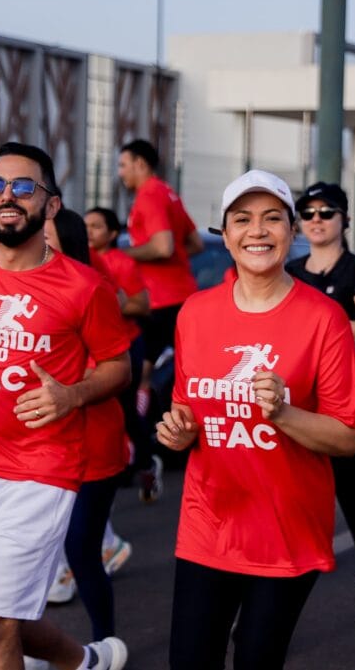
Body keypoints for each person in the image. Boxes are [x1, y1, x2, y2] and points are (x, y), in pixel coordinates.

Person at [0, 142, 131, 670]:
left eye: (23, 187)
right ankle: (87, 662)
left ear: (51, 205)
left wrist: (72, 394)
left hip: (43, 470)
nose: (6, 196)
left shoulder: (85, 286)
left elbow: (117, 366)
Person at [156, 169, 355, 670]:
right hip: (209, 524)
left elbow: (348, 436)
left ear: (291, 233)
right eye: (243, 219)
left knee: (256, 660)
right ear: (224, 236)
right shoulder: (195, 313)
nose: (258, 230)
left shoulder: (322, 317)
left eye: (273, 218)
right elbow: (187, 409)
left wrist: (284, 412)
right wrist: (177, 432)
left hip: (285, 530)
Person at [285, 182, 355, 626]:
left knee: (351, 494)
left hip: (349, 396)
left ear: (345, 219)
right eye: (307, 213)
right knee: (288, 494)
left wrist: (320, 322)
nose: (316, 220)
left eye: (327, 212)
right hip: (294, 401)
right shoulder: (289, 268)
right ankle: (274, 586)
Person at [40, 207, 132, 644]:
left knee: (80, 548)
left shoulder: (93, 291)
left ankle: (104, 642)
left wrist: (67, 388)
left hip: (92, 442)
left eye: (46, 239)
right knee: (28, 553)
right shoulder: (17, 290)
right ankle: (29, 643)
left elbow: (113, 370)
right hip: (33, 446)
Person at [118, 138, 200, 501]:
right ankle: (155, 448)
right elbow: (192, 243)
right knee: (171, 374)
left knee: (136, 374)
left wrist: (124, 254)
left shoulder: (150, 195)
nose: (120, 173)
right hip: (179, 296)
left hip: (161, 301)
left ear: (139, 164)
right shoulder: (169, 193)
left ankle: (145, 452)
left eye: (123, 165)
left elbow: (165, 246)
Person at [84, 206, 154, 506]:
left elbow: (142, 306)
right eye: (85, 225)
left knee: (124, 408)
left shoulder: (122, 263)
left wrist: (108, 305)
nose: (89, 231)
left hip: (127, 344)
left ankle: (144, 462)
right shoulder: (80, 259)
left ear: (113, 233)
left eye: (96, 226)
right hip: (96, 348)